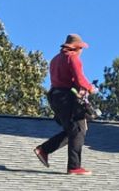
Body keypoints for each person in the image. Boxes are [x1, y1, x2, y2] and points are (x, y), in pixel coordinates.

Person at [35, 34, 97, 175]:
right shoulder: (72, 58)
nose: (81, 51)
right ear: (75, 47)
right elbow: (80, 80)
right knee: (79, 129)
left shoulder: (55, 59)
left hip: (55, 96)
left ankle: (44, 150)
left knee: (73, 130)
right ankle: (74, 167)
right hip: (67, 97)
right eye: (81, 48)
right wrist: (90, 88)